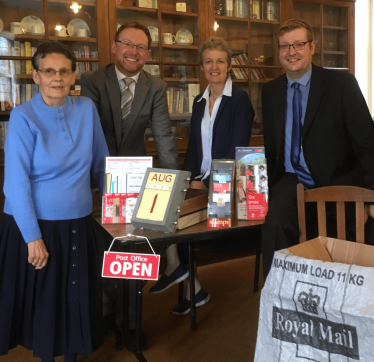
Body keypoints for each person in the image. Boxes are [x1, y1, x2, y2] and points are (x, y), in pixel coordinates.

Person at [0, 42, 109, 362]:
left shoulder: (87, 108)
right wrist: (32, 238)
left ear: (74, 76)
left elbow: (102, 163)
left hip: (77, 220)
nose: (57, 78)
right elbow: (15, 183)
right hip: (34, 223)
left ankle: (72, 358)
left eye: (64, 71)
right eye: (49, 71)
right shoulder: (22, 116)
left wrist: (120, 205)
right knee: (45, 301)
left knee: (75, 296)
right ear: (36, 76)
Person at [80, 21, 178, 339]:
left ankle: (131, 321)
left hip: (136, 181)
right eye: (127, 44)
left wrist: (172, 183)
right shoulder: (93, 81)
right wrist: (102, 179)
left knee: (135, 251)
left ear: (147, 54)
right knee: (103, 252)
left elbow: (163, 134)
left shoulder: (156, 87)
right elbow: (90, 133)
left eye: (140, 47)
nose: (133, 52)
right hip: (97, 178)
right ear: (114, 46)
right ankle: (107, 314)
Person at [261, 19, 374, 281]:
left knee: (349, 245)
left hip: (338, 180)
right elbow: (271, 149)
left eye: (299, 44)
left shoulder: (342, 84)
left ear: (313, 47)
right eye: (285, 46)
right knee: (274, 224)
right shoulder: (271, 91)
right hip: (291, 181)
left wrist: (371, 197)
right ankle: (277, 296)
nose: (292, 52)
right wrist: (259, 192)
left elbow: (367, 143)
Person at [150, 36, 254, 315]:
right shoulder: (199, 101)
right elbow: (194, 149)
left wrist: (206, 183)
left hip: (226, 185)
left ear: (229, 66)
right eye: (208, 61)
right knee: (165, 202)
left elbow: (237, 150)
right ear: (202, 67)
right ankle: (192, 287)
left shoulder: (240, 100)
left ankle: (176, 270)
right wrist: (183, 179)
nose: (214, 66)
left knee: (179, 217)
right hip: (200, 178)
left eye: (220, 60)